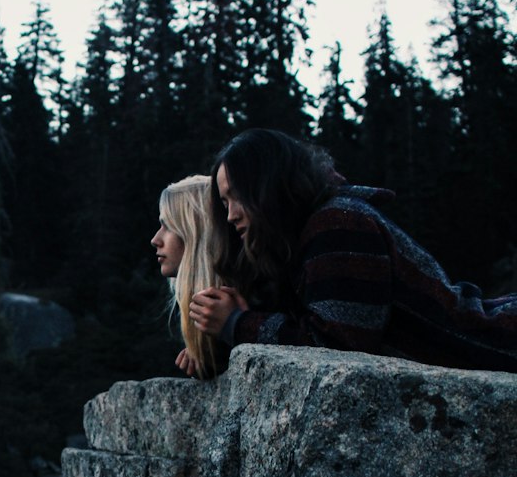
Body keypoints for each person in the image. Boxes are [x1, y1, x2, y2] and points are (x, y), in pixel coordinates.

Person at [189, 128, 517, 373]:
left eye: (237, 196)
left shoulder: (338, 224)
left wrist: (237, 323)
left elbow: (339, 348)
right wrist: (217, 344)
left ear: (269, 187)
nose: (231, 214)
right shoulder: (310, 238)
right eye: (224, 202)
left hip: (497, 343)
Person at [151, 174, 240, 378]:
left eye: (168, 226)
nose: (155, 239)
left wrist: (234, 327)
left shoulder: (244, 299)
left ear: (196, 233)